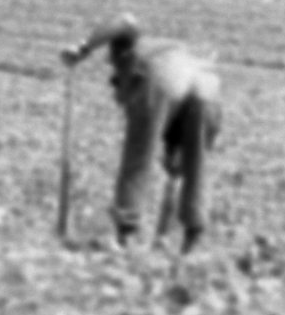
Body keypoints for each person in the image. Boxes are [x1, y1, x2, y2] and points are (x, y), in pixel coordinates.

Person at [63, 19, 220, 249]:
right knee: (196, 165)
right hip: (207, 83)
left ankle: (125, 234)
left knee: (138, 155)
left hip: (164, 76)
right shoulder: (175, 53)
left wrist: (84, 48)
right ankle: (192, 240)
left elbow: (124, 21)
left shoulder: (133, 50)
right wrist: (173, 155)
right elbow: (181, 131)